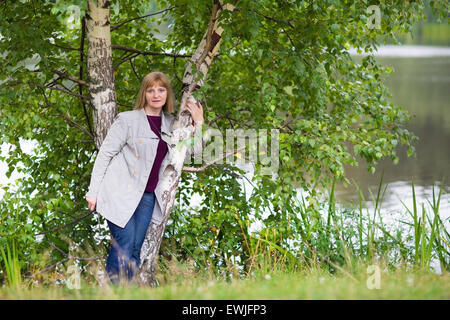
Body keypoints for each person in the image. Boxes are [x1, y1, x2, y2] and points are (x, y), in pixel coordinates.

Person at [85, 71, 204, 284]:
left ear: (167, 94)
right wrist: (92, 192)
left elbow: (195, 154)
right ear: (144, 93)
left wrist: (199, 122)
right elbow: (105, 155)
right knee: (124, 242)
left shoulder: (172, 124)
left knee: (135, 250)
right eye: (150, 90)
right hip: (118, 192)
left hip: (147, 197)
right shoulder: (127, 120)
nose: (156, 95)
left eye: (161, 90)